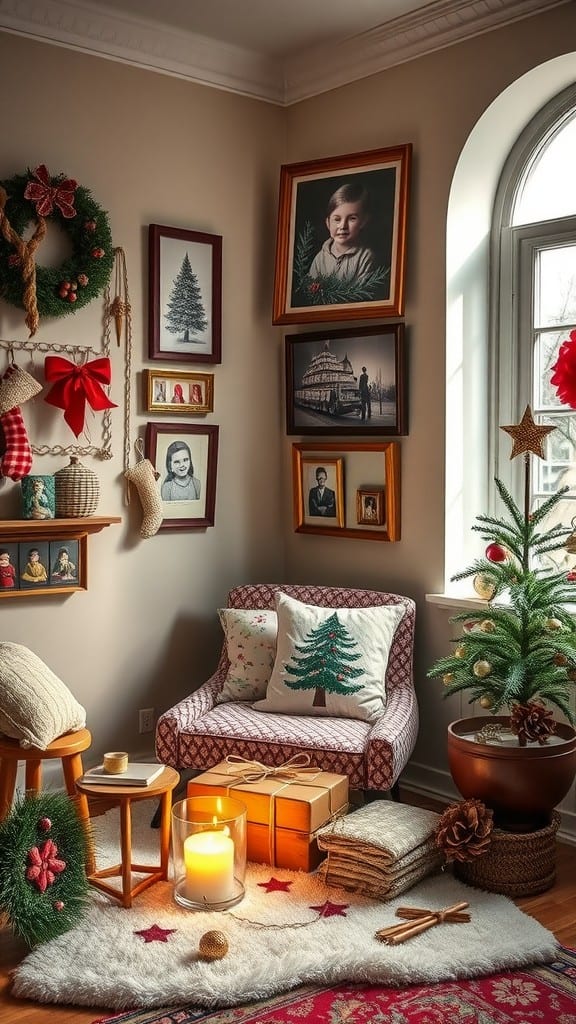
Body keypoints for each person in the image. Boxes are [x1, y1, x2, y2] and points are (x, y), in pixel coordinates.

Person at [307, 182, 376, 287]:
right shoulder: (321, 257)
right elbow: (310, 290)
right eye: (337, 219)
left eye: (352, 218)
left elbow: (362, 294)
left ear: (363, 221)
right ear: (328, 223)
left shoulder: (365, 257)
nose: (343, 226)